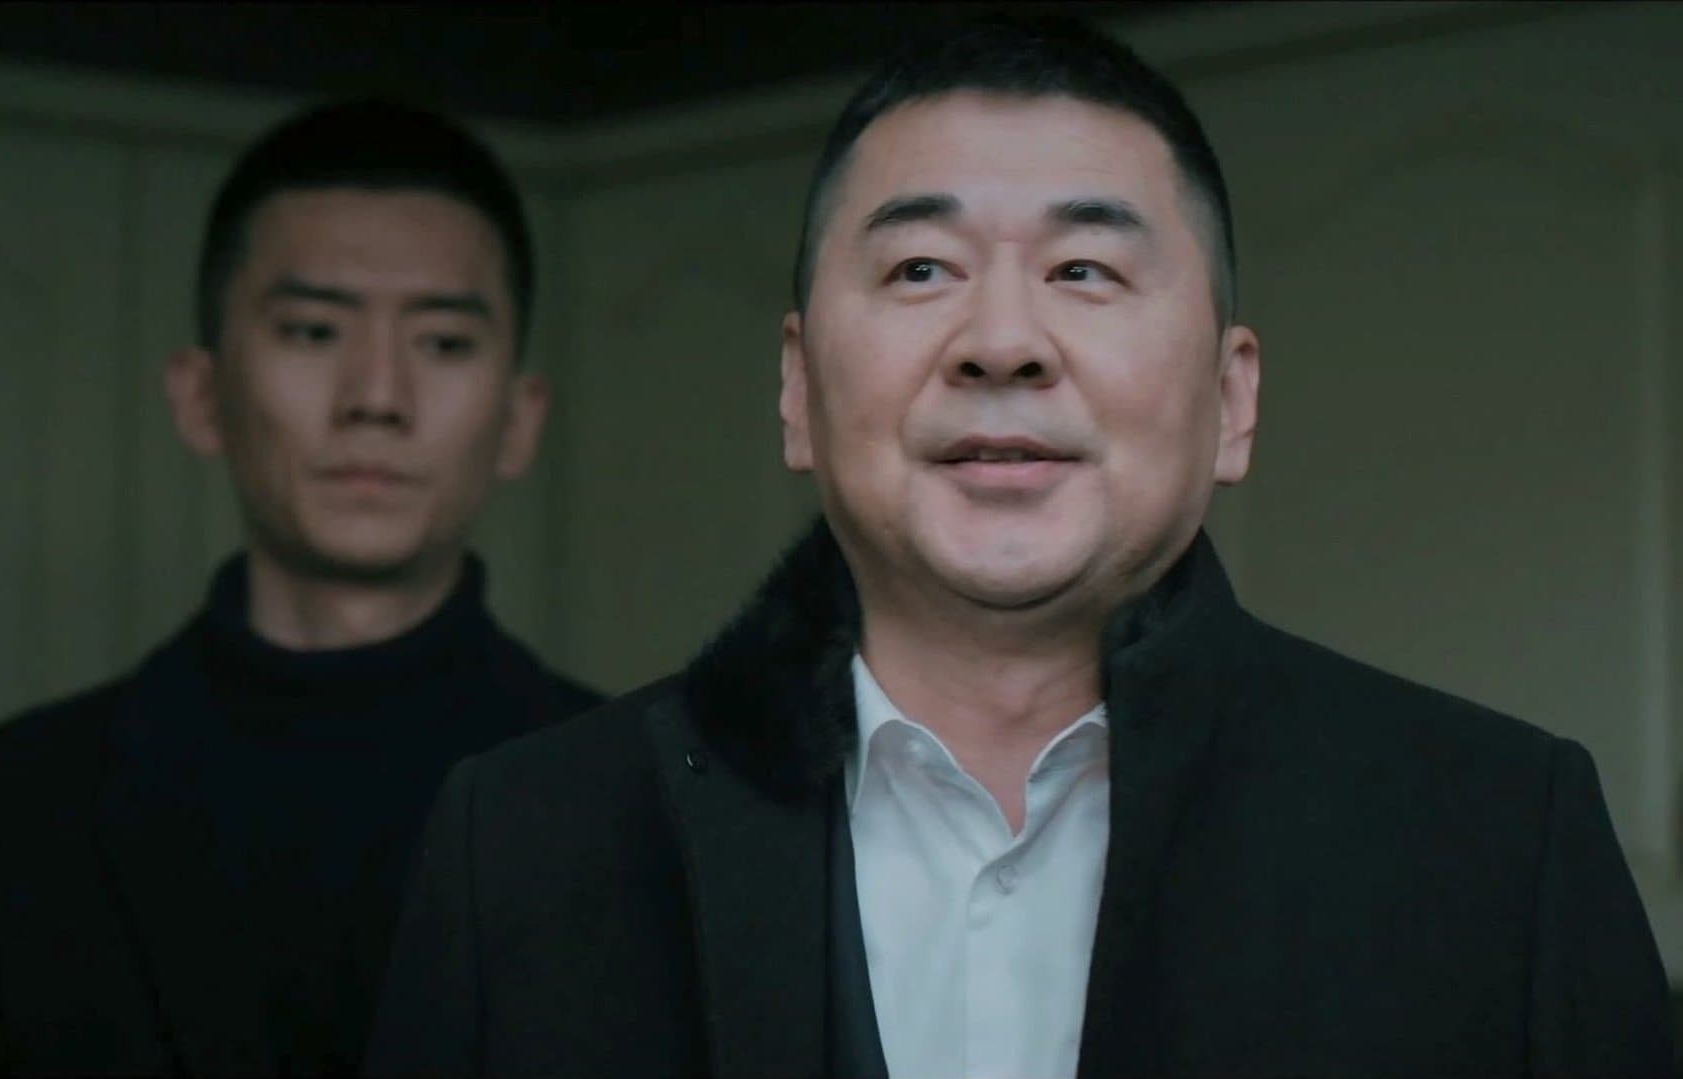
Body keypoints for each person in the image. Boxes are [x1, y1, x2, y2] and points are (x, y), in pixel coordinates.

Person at [363, 16, 1673, 1078]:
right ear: (797, 388)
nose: (1002, 341)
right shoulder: (528, 844)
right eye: (921, 269)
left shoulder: (1498, 840)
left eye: (1085, 271)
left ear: (1232, 400)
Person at [0, 98, 601, 1076]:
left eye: (445, 342)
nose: (377, 397)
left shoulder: (668, 817)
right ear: (201, 394)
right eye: (313, 331)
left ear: (520, 419)